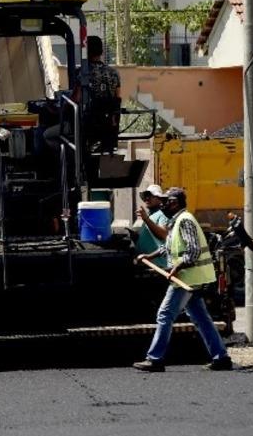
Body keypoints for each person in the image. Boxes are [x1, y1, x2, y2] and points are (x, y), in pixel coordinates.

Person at [133, 187, 232, 373]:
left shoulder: (185, 221)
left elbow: (192, 251)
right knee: (201, 318)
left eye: (165, 201)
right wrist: (149, 255)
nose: (162, 204)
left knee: (165, 314)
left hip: (187, 278)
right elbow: (167, 248)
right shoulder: (176, 221)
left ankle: (155, 359)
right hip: (190, 277)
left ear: (175, 203)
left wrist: (176, 268)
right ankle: (221, 358)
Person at [44, 35, 120, 152]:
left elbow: (76, 99)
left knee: (47, 135)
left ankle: (69, 159)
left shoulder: (82, 73)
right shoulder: (114, 73)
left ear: (86, 51)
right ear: (102, 51)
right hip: (108, 126)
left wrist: (60, 108)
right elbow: (117, 99)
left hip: (85, 124)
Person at [133, 184, 170, 268]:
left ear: (159, 199)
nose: (147, 198)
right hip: (146, 263)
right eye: (146, 196)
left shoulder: (162, 214)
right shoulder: (150, 215)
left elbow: (163, 235)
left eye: (150, 196)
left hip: (158, 266)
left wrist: (146, 219)